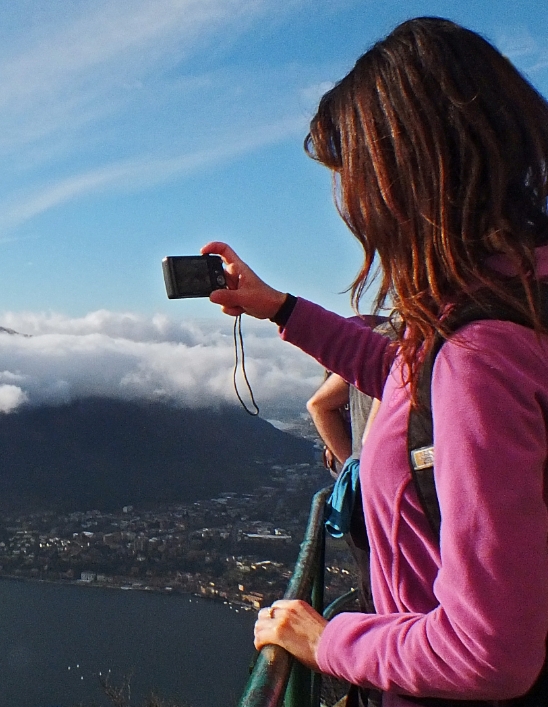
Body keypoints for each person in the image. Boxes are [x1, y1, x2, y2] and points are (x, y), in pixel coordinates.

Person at [205, 17, 548, 705]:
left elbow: (490, 651)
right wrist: (280, 307)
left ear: (406, 179)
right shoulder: (514, 298)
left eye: (353, 176)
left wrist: (325, 640)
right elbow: (412, 379)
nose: (347, 204)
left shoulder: (481, 352)